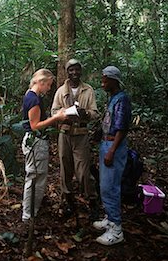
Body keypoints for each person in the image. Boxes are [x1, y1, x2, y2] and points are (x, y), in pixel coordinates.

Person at [51, 59, 99, 218]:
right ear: (67, 72)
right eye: (71, 70)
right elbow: (53, 112)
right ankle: (69, 202)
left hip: (81, 135)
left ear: (81, 71)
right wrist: (62, 115)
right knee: (65, 169)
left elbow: (94, 113)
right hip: (65, 134)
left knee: (83, 171)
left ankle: (92, 201)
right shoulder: (60, 91)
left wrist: (86, 114)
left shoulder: (88, 90)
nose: (74, 73)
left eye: (77, 70)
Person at [22, 69, 68, 223]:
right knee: (36, 178)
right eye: (48, 85)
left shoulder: (30, 95)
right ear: (40, 82)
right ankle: (29, 215)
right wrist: (56, 118)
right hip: (36, 142)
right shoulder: (33, 99)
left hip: (34, 141)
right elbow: (35, 125)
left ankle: (31, 211)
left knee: (35, 177)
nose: (49, 88)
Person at [93, 65, 132, 246]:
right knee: (105, 184)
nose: (102, 83)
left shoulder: (122, 100)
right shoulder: (113, 98)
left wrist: (111, 150)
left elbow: (122, 128)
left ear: (113, 80)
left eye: (105, 79)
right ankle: (110, 217)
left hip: (113, 146)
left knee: (110, 187)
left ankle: (116, 229)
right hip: (106, 143)